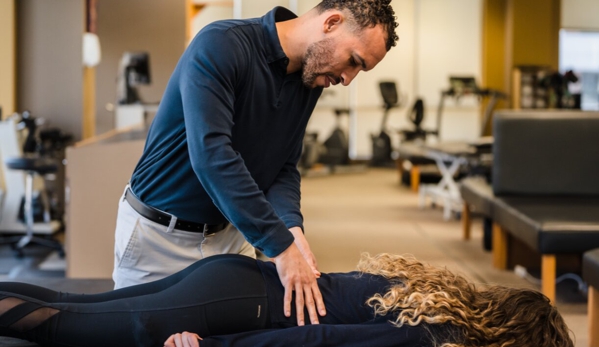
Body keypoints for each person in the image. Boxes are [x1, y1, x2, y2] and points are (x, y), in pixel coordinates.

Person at [112, 0, 399, 327]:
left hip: (232, 238)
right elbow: (212, 155)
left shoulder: (311, 79)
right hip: (160, 237)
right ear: (331, 22)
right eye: (354, 61)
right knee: (138, 335)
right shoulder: (222, 44)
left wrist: (291, 227)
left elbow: (284, 166)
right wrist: (281, 246)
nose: (348, 79)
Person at [0, 254, 573, 347]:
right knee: (61, 326)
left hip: (233, 278)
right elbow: (317, 339)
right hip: (231, 306)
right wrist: (214, 346)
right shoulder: (434, 334)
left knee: (66, 301)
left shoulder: (443, 298)